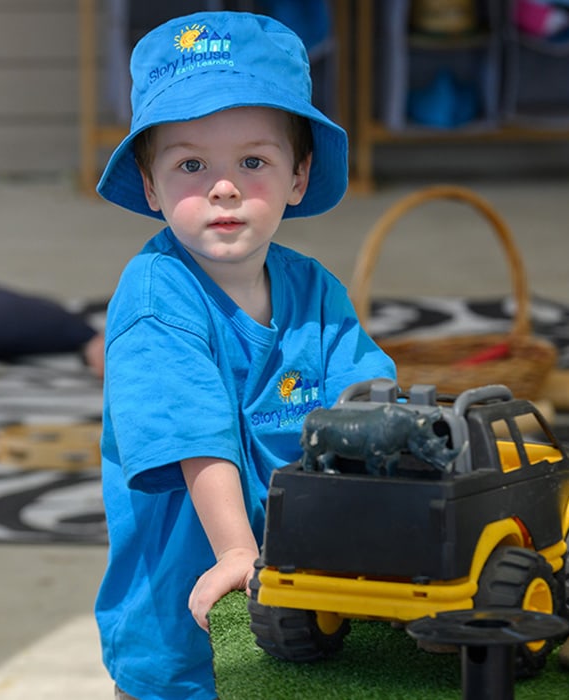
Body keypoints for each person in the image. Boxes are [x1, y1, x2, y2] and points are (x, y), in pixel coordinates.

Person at [92, 11, 396, 700]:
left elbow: (368, 401)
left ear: (297, 175)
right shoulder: (156, 299)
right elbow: (196, 439)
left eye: (252, 161)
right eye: (191, 164)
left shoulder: (314, 290)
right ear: (150, 186)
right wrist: (237, 551)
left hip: (312, 605)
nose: (223, 187)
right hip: (188, 621)